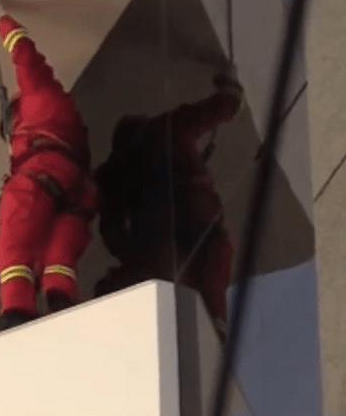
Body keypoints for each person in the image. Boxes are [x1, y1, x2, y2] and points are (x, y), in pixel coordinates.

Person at [0, 0, 99, 331]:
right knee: (57, 253)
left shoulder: (37, 91)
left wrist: (0, 19)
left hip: (42, 173)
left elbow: (24, 52)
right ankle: (59, 295)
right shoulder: (68, 121)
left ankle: (16, 309)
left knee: (13, 243)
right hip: (73, 187)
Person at [93, 74, 244, 337]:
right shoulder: (163, 130)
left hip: (157, 233)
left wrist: (132, 254)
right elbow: (205, 114)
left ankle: (122, 315)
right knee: (213, 255)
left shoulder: (115, 171)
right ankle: (213, 320)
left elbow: (111, 228)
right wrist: (230, 100)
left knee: (172, 270)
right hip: (193, 216)